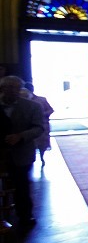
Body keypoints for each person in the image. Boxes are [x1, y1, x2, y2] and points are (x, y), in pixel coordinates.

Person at [0, 76, 45, 230]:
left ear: (20, 89)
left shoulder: (32, 106)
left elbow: (39, 128)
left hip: (21, 152)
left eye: (14, 87)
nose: (11, 90)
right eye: (7, 87)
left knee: (22, 186)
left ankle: (25, 215)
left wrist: (20, 136)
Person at [22, 82, 54, 165]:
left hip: (42, 125)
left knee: (42, 143)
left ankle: (42, 157)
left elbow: (50, 110)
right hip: (27, 126)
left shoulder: (41, 99)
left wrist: (42, 114)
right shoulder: (21, 101)